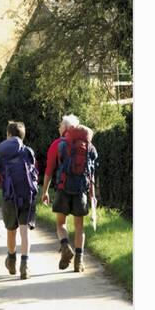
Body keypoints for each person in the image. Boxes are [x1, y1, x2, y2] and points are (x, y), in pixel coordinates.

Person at [41, 115, 97, 273]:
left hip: (63, 188)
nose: (59, 127)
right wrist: (92, 195)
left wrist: (45, 191)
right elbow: (91, 173)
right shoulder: (89, 146)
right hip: (81, 191)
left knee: (60, 223)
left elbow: (49, 170)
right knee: (79, 227)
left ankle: (65, 246)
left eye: (60, 125)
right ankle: (79, 262)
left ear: (66, 128)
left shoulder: (58, 145)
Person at [0, 121, 39, 279]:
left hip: (9, 197)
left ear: (8, 135)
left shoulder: (2, 153)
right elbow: (35, 173)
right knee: (24, 232)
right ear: (22, 136)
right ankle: (24, 264)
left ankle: (11, 259)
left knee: (11, 231)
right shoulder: (28, 151)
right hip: (27, 195)